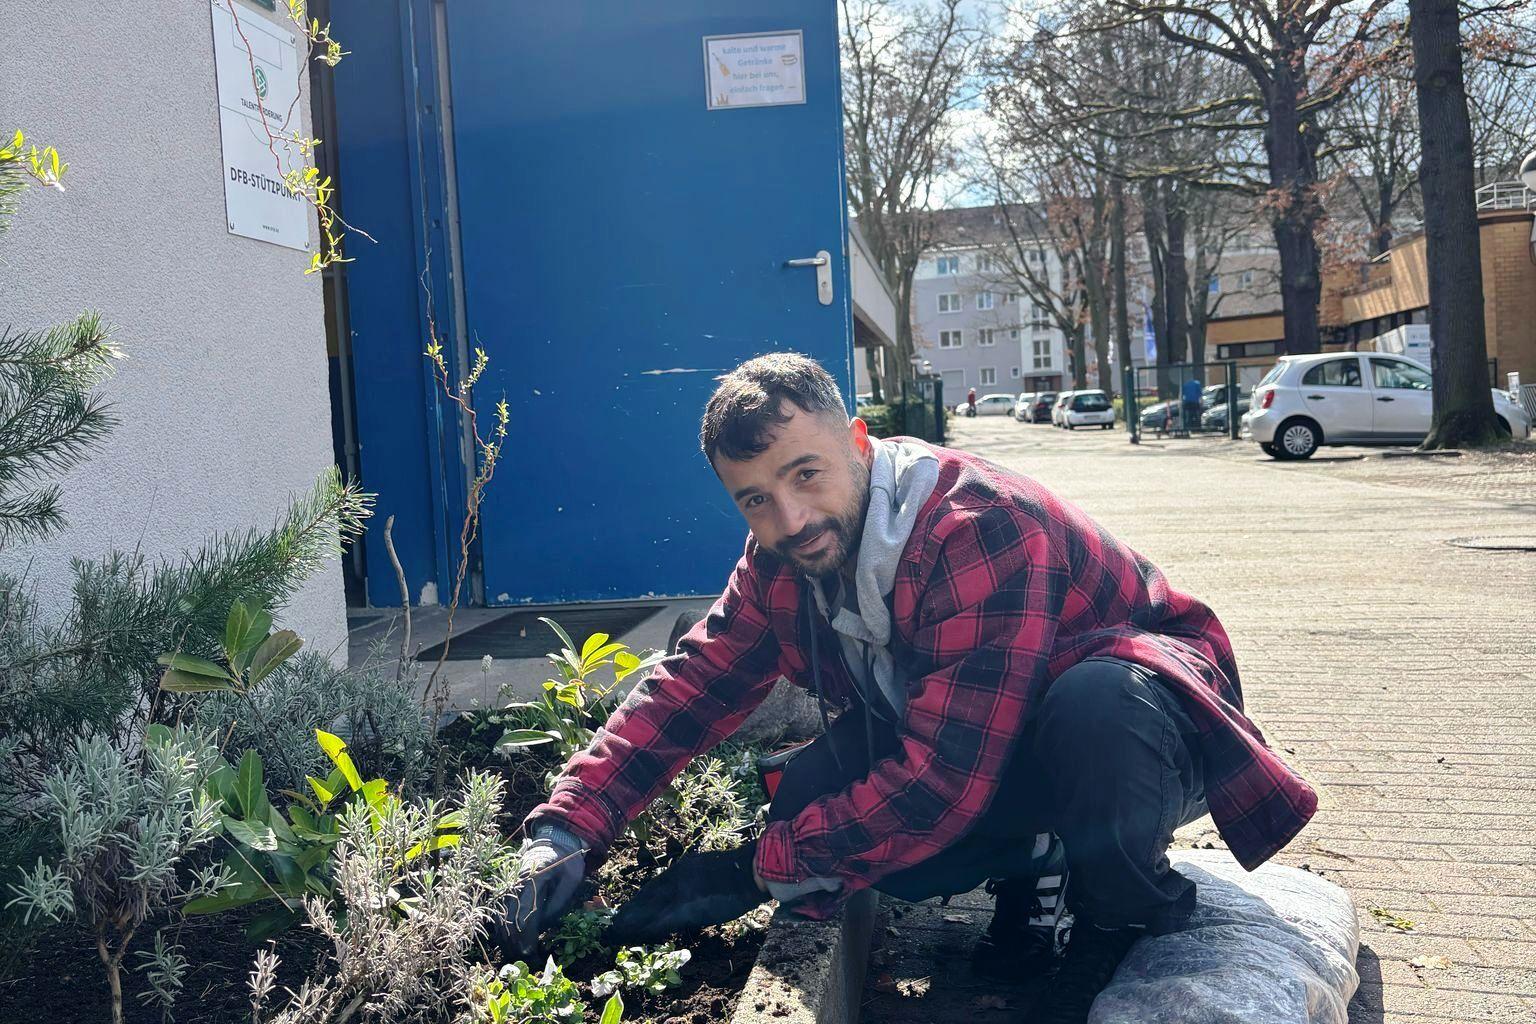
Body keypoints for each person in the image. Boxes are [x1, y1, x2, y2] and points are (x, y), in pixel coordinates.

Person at [499, 354, 1314, 1022]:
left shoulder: (978, 526)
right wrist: (568, 829)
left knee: (1091, 712)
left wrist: (754, 872)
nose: (791, 519)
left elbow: (947, 778)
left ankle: (1119, 905)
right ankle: (1040, 856)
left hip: (1149, 728)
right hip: (990, 731)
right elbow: (689, 689)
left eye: (807, 475)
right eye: (756, 500)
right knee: (808, 799)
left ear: (858, 441)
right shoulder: (781, 560)